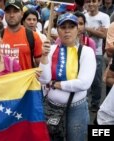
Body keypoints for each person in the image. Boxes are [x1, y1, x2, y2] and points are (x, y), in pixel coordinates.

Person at [39, 13, 96, 141]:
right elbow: (44, 79)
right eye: (63, 27)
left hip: (76, 107)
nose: (67, 30)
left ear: (77, 30)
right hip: (52, 107)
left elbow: (84, 83)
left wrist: (56, 84)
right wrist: (43, 56)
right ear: (57, 30)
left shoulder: (86, 52)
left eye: (71, 27)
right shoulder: (51, 49)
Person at [1, 0, 43, 70]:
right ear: (5, 14)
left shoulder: (33, 36)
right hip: (3, 80)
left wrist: (45, 56)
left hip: (25, 80)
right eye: (8, 12)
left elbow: (40, 65)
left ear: (22, 14)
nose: (11, 15)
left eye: (15, 11)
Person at [85, 0, 110, 112]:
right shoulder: (84, 16)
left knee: (96, 80)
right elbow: (78, 32)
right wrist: (95, 30)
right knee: (83, 77)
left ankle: (95, 103)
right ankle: (83, 101)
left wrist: (87, 29)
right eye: (89, 1)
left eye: (94, 1)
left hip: (97, 52)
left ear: (99, 2)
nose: (91, 4)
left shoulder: (104, 17)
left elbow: (104, 35)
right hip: (83, 51)